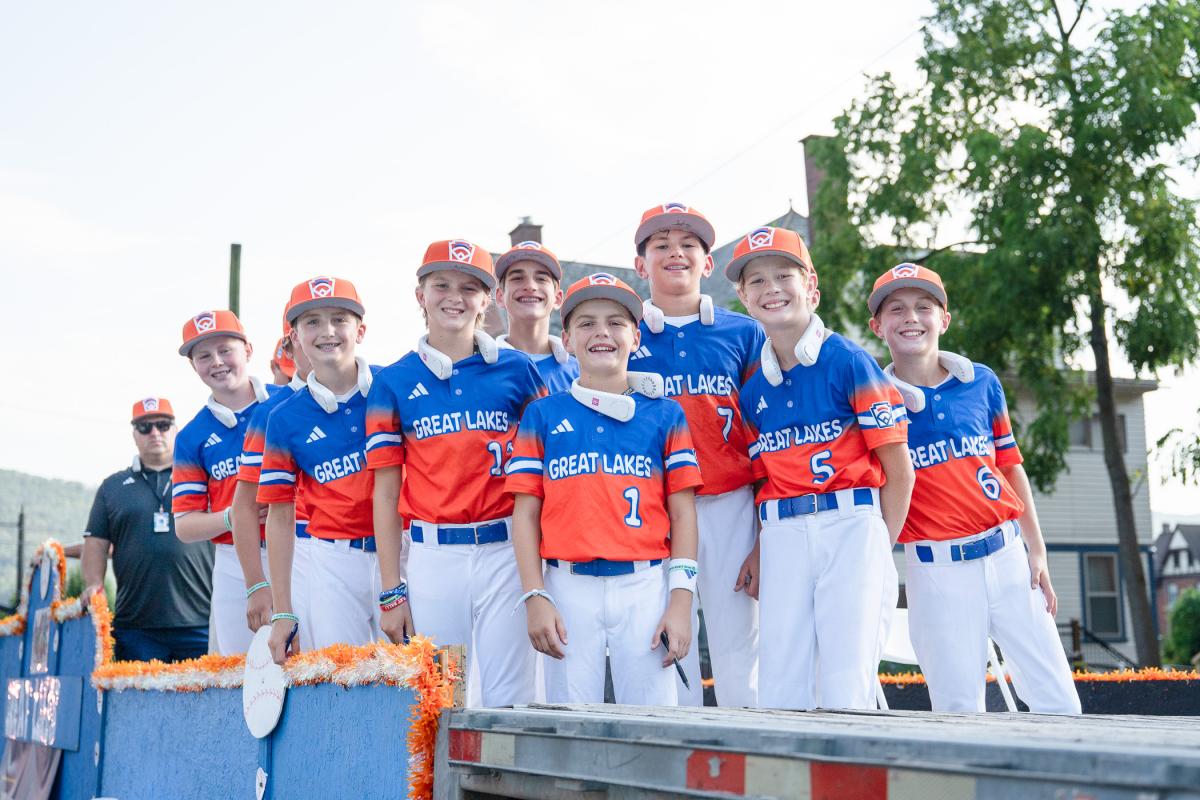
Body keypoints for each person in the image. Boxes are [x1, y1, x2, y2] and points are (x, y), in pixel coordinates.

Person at [867, 263, 1081, 713]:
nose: (911, 317)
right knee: (959, 710)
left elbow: (1010, 467)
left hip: (1008, 557)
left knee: (1059, 700)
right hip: (937, 568)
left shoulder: (980, 382)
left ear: (944, 320)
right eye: (896, 309)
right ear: (877, 326)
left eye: (924, 307)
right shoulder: (872, 398)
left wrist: (1037, 551)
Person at [726, 227, 914, 710]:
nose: (771, 289)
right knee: (780, 681)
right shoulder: (753, 390)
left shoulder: (849, 361)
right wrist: (760, 548)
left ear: (811, 286)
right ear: (744, 297)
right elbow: (765, 480)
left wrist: (876, 544)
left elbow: (900, 471)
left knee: (846, 680)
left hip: (850, 523)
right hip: (782, 533)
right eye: (756, 281)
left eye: (783, 276)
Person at [367, 239, 546, 707]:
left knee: (511, 699)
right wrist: (391, 590)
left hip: (506, 551)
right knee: (441, 698)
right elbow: (385, 493)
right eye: (441, 285)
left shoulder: (518, 370)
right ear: (420, 295)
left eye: (470, 288)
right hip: (434, 556)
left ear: (487, 300)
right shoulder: (393, 381)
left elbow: (545, 472)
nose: (455, 297)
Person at [507, 273, 701, 705]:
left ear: (636, 337)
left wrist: (680, 601)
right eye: (587, 323)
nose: (602, 333)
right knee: (569, 721)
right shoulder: (542, 414)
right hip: (567, 585)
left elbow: (684, 513)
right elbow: (526, 514)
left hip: (644, 584)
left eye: (615, 323)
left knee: (653, 722)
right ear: (567, 339)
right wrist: (535, 594)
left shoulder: (665, 414)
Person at [629, 203, 764, 707]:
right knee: (667, 647)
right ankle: (679, 750)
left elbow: (768, 435)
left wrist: (763, 537)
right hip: (656, 509)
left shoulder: (744, 333)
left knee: (739, 648)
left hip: (731, 503)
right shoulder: (623, 334)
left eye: (689, 245)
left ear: (708, 262)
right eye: (660, 245)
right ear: (640, 264)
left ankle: (744, 749)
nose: (676, 253)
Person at [258, 277, 381, 663]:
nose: (327, 331)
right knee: (342, 678)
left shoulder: (393, 386)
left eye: (339, 319)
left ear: (360, 330)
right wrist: (283, 610)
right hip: (333, 561)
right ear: (295, 336)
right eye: (312, 321)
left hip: (405, 550)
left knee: (420, 680)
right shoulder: (284, 417)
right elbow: (279, 516)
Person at [172, 310, 278, 655]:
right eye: (203, 356)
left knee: (311, 658)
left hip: (300, 545)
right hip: (233, 562)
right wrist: (235, 516)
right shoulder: (192, 436)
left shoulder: (288, 402)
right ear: (193, 366)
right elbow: (185, 526)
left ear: (248, 350)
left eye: (225, 350)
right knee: (242, 668)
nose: (216, 362)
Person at [83, 398, 214, 662]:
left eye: (162, 425)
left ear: (175, 430)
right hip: (137, 627)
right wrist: (94, 584)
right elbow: (95, 543)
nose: (154, 433)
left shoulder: (204, 478)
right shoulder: (112, 487)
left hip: (202, 620)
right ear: (134, 434)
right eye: (144, 427)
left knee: (205, 689)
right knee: (137, 691)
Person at [234, 313, 315, 640]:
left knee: (429, 660)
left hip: (391, 550)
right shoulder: (270, 412)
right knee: (321, 661)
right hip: (302, 550)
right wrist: (257, 583)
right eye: (308, 328)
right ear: (290, 344)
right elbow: (244, 506)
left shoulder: (373, 391)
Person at [494, 240, 579, 393]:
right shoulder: (482, 370)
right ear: (500, 297)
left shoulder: (580, 375)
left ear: (558, 298)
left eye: (541, 279)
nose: (530, 286)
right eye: (517, 278)